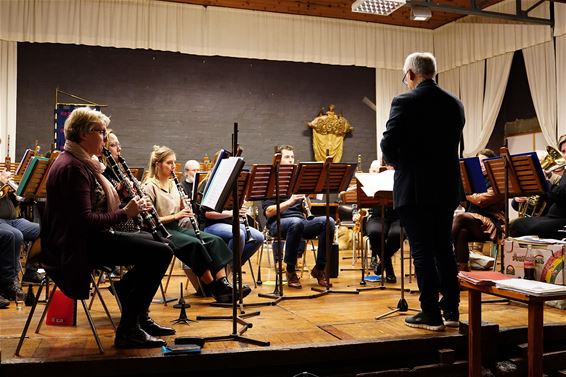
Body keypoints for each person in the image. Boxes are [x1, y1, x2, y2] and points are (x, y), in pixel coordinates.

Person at [40, 107, 175, 349]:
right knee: (161, 253)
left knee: (162, 243)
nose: (105, 137)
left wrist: (121, 194)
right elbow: (84, 221)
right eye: (100, 132)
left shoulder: (82, 162)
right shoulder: (73, 167)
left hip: (85, 239)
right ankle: (129, 329)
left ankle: (134, 308)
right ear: (83, 134)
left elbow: (92, 204)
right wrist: (126, 212)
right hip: (76, 247)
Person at [381, 52, 465, 331]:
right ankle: (451, 309)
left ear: (412, 74)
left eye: (406, 77)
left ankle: (430, 312)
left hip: (415, 187)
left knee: (421, 251)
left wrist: (398, 162)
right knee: (444, 248)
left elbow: (388, 142)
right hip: (446, 187)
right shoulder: (455, 104)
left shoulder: (404, 101)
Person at [143, 145, 250, 303]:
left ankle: (223, 284)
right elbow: (149, 220)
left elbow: (178, 208)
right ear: (158, 164)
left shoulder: (173, 184)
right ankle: (213, 288)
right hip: (160, 230)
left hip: (176, 228)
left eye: (174, 162)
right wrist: (176, 215)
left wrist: (183, 206)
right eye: (169, 163)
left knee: (214, 240)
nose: (173, 166)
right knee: (195, 244)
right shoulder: (149, 186)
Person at [261, 145, 336, 289]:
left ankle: (320, 268)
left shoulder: (297, 179)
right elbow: (269, 212)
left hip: (300, 221)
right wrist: (290, 201)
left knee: (328, 222)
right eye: (287, 157)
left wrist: (306, 196)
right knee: (296, 223)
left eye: (292, 157)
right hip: (277, 223)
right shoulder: (271, 181)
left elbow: (309, 207)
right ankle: (290, 270)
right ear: (278, 160)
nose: (291, 160)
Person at [452, 149, 505, 272]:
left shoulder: (498, 181)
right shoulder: (472, 180)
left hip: (493, 221)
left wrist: (465, 192)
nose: (480, 165)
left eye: (484, 161)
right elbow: (465, 203)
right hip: (474, 222)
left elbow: (481, 201)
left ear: (491, 163)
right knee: (462, 232)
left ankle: (440, 248)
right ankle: (461, 272)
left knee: (460, 217)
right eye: (478, 162)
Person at [509, 134, 566, 239]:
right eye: (562, 152)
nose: (537, 166)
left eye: (540, 162)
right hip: (546, 217)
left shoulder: (555, 177)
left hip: (551, 217)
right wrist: (518, 200)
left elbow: (557, 197)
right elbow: (517, 207)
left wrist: (544, 183)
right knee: (514, 225)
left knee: (517, 226)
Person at [0, 164, 41, 304]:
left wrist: (16, 194)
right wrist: (1, 182)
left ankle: (31, 271)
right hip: (1, 222)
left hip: (12, 220)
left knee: (43, 230)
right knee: (14, 235)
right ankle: (8, 282)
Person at [361, 160, 401, 283]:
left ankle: (383, 264)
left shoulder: (401, 175)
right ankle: (388, 268)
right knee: (374, 232)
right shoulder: (375, 178)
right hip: (377, 216)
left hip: (398, 216)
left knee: (398, 234)